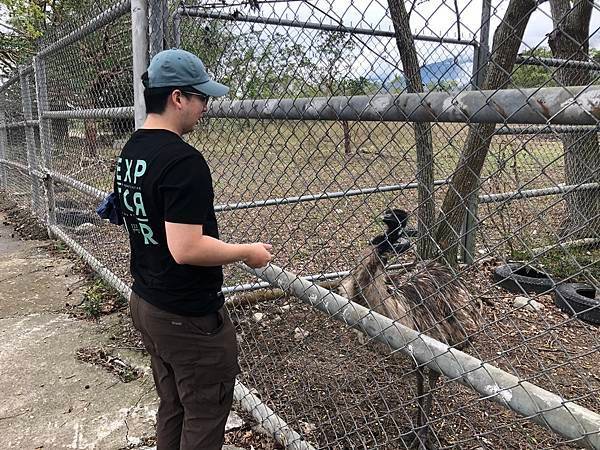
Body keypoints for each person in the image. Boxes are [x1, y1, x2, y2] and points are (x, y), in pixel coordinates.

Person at [113, 48, 272, 450]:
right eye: (201, 97)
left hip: (147, 301)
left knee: (174, 404)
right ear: (178, 97)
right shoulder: (183, 161)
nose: (206, 106)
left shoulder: (133, 150)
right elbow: (186, 247)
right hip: (186, 314)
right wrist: (246, 251)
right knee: (204, 413)